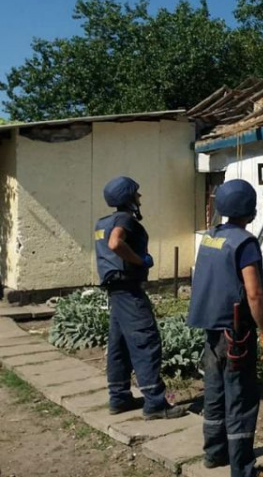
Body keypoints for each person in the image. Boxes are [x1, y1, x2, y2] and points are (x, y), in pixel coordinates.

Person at [187, 179, 263, 476]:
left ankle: (213, 454)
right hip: (237, 334)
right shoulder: (245, 243)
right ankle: (242, 468)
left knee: (214, 394)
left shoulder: (210, 238)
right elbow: (254, 293)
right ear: (249, 208)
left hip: (212, 333)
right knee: (241, 400)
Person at [95, 176, 187, 420]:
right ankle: (156, 403)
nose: (140, 197)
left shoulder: (102, 222)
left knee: (120, 345)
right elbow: (116, 243)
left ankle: (119, 397)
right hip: (128, 289)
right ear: (128, 198)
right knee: (146, 340)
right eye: (137, 194)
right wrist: (140, 260)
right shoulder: (124, 218)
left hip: (115, 291)